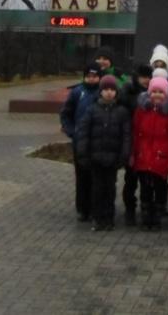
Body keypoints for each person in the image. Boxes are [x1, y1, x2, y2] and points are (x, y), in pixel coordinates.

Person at [75, 74, 131, 231]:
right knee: (97, 189)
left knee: (110, 189)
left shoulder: (122, 112)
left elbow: (126, 136)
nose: (109, 92)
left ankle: (109, 218)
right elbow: (83, 133)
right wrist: (83, 154)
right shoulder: (92, 110)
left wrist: (123, 155)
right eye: (105, 89)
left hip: (112, 159)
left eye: (112, 89)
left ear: (116, 92)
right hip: (96, 158)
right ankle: (97, 218)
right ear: (100, 91)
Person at [132, 73, 168, 231]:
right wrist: (133, 154)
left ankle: (157, 217)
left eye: (160, 92)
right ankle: (146, 217)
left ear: (166, 94)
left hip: (161, 157)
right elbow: (135, 132)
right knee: (145, 188)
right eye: (154, 92)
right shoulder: (141, 111)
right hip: (143, 156)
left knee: (160, 188)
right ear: (149, 93)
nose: (157, 95)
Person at [58, 64, 102, 221]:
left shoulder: (103, 92)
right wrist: (72, 132)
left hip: (97, 142)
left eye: (95, 76)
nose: (92, 79)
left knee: (96, 177)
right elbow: (66, 114)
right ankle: (83, 209)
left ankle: (96, 207)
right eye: (89, 76)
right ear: (84, 77)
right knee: (82, 176)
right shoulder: (77, 92)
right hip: (80, 142)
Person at [119, 63, 153, 224]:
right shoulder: (127, 93)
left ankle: (147, 210)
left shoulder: (154, 93)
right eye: (143, 77)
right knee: (130, 179)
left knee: (147, 180)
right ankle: (130, 210)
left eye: (148, 77)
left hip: (148, 143)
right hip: (132, 142)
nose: (146, 80)